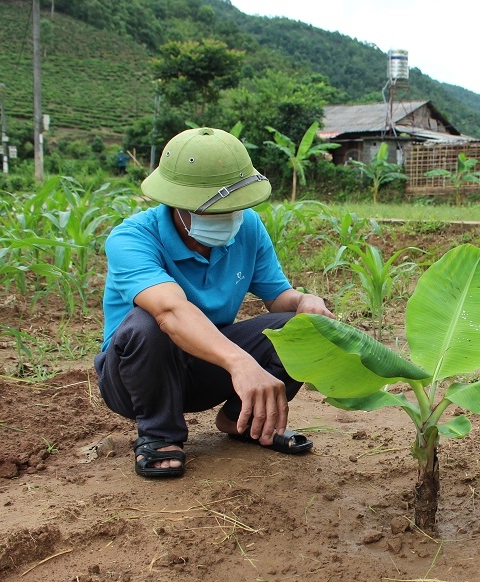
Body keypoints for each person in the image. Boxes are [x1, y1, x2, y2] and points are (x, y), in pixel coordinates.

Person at [95, 127, 334, 479]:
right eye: (215, 209)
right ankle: (160, 435)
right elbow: (170, 312)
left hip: (207, 367)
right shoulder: (132, 238)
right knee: (148, 324)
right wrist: (241, 364)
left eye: (235, 207)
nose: (230, 217)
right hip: (138, 376)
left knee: (294, 326)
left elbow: (277, 297)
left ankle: (243, 420)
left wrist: (304, 301)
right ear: (178, 204)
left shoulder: (247, 228)